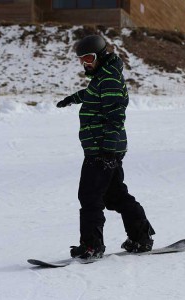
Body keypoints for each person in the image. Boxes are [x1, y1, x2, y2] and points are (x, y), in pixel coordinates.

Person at [56, 35, 155, 259]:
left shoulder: (108, 78)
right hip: (106, 147)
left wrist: (107, 149)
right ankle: (141, 237)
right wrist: (73, 98)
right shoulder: (104, 76)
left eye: (89, 58)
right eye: (81, 59)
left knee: (90, 197)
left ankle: (92, 246)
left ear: (100, 55)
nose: (85, 63)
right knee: (116, 196)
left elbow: (116, 115)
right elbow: (94, 94)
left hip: (102, 149)